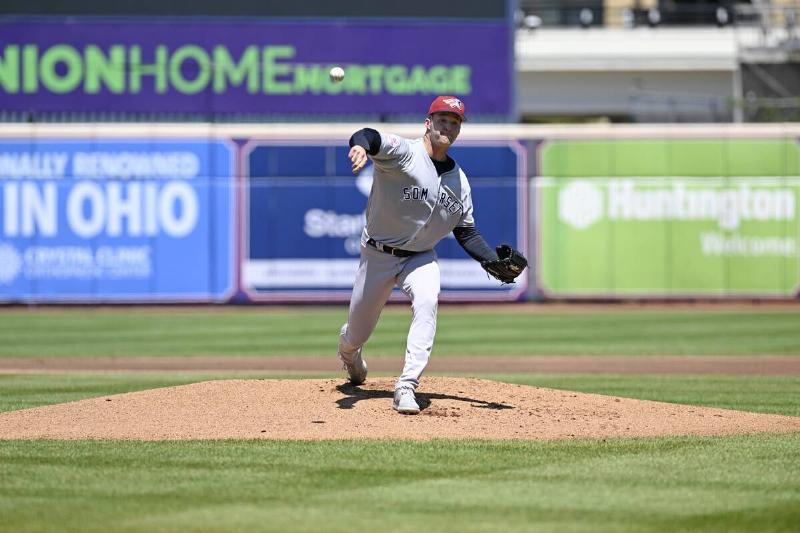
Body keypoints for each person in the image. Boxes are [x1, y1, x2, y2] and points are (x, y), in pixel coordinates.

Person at [337, 95, 519, 414]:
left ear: (459, 130)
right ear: (428, 122)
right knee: (356, 333)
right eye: (442, 120)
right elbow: (369, 134)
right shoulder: (405, 152)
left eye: (454, 122)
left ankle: (406, 386)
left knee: (427, 300)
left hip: (420, 256)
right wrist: (361, 147)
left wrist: (490, 260)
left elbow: (466, 230)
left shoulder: (459, 181)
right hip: (378, 254)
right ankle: (350, 354)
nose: (447, 126)